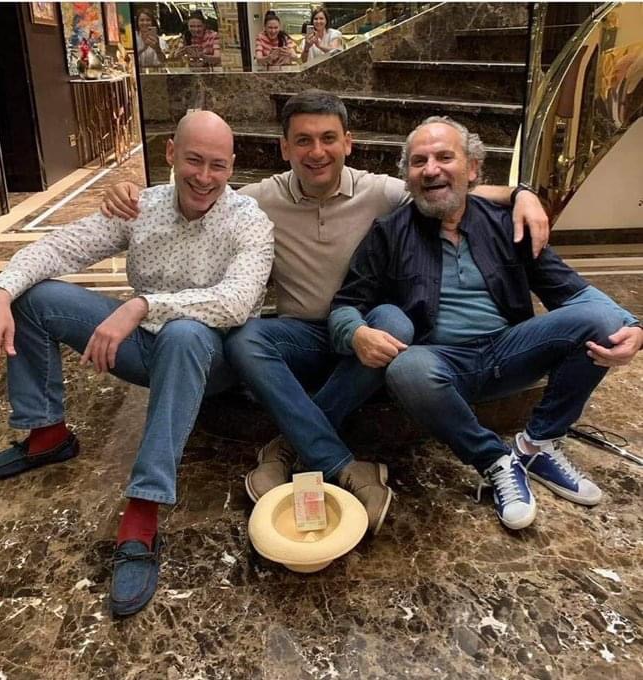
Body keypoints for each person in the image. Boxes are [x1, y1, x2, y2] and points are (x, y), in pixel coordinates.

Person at [100, 90, 550, 536]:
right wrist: (132, 194)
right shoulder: (258, 199)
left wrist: (521, 194)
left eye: (328, 138)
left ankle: (288, 446)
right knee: (245, 338)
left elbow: (449, 189)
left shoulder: (381, 192)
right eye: (303, 140)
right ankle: (336, 458)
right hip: (300, 336)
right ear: (285, 148)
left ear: (347, 142)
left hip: (364, 334)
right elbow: (197, 188)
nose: (317, 152)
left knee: (396, 321)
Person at [0, 112, 273, 617]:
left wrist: (141, 306)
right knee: (34, 298)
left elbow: (236, 302)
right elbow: (61, 246)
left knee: (183, 333)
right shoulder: (141, 207)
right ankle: (47, 433)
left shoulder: (248, 221)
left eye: (217, 165)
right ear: (170, 154)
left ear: (232, 165)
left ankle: (143, 509)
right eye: (194, 160)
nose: (204, 176)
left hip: (212, 362)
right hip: (143, 349)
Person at [329, 116, 642, 530]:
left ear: (473, 168)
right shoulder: (389, 232)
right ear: (408, 176)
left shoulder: (507, 223)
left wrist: (634, 326)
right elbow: (345, 305)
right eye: (419, 161)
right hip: (442, 364)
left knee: (604, 319)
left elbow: (573, 291)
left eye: (445, 157)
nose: (431, 169)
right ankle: (495, 460)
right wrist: (357, 332)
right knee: (407, 368)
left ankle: (538, 443)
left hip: (513, 349)